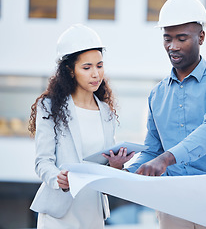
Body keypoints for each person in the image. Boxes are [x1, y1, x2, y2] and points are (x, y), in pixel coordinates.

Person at [124, 0, 206, 229]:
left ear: (201, 37)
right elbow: (152, 151)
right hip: (174, 203)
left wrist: (166, 159)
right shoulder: (157, 94)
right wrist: (123, 171)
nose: (173, 46)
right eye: (167, 38)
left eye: (182, 38)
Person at [28, 24, 133, 229]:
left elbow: (103, 165)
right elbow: (43, 161)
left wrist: (115, 166)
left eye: (99, 65)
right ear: (70, 70)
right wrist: (57, 178)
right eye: (87, 67)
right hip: (59, 214)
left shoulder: (106, 112)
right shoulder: (50, 107)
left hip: (92, 212)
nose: (95, 74)